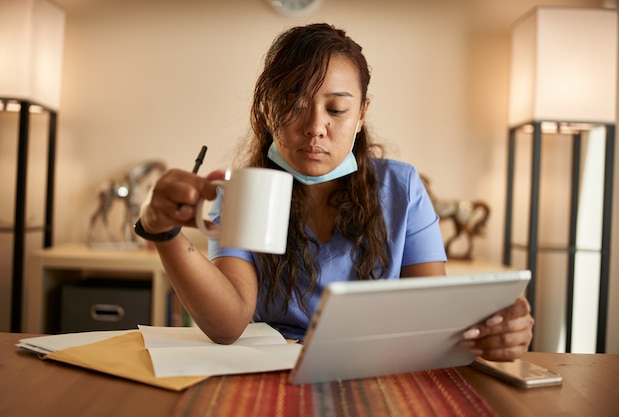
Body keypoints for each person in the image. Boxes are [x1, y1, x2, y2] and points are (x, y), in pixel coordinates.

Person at [135, 23, 534, 361]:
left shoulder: (401, 188)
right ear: (267, 110)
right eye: (293, 102)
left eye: (336, 110)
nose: (315, 126)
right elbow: (227, 324)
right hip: (271, 375)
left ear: (361, 114)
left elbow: (430, 317)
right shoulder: (239, 192)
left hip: (373, 372)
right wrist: (164, 233)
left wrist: (498, 330)